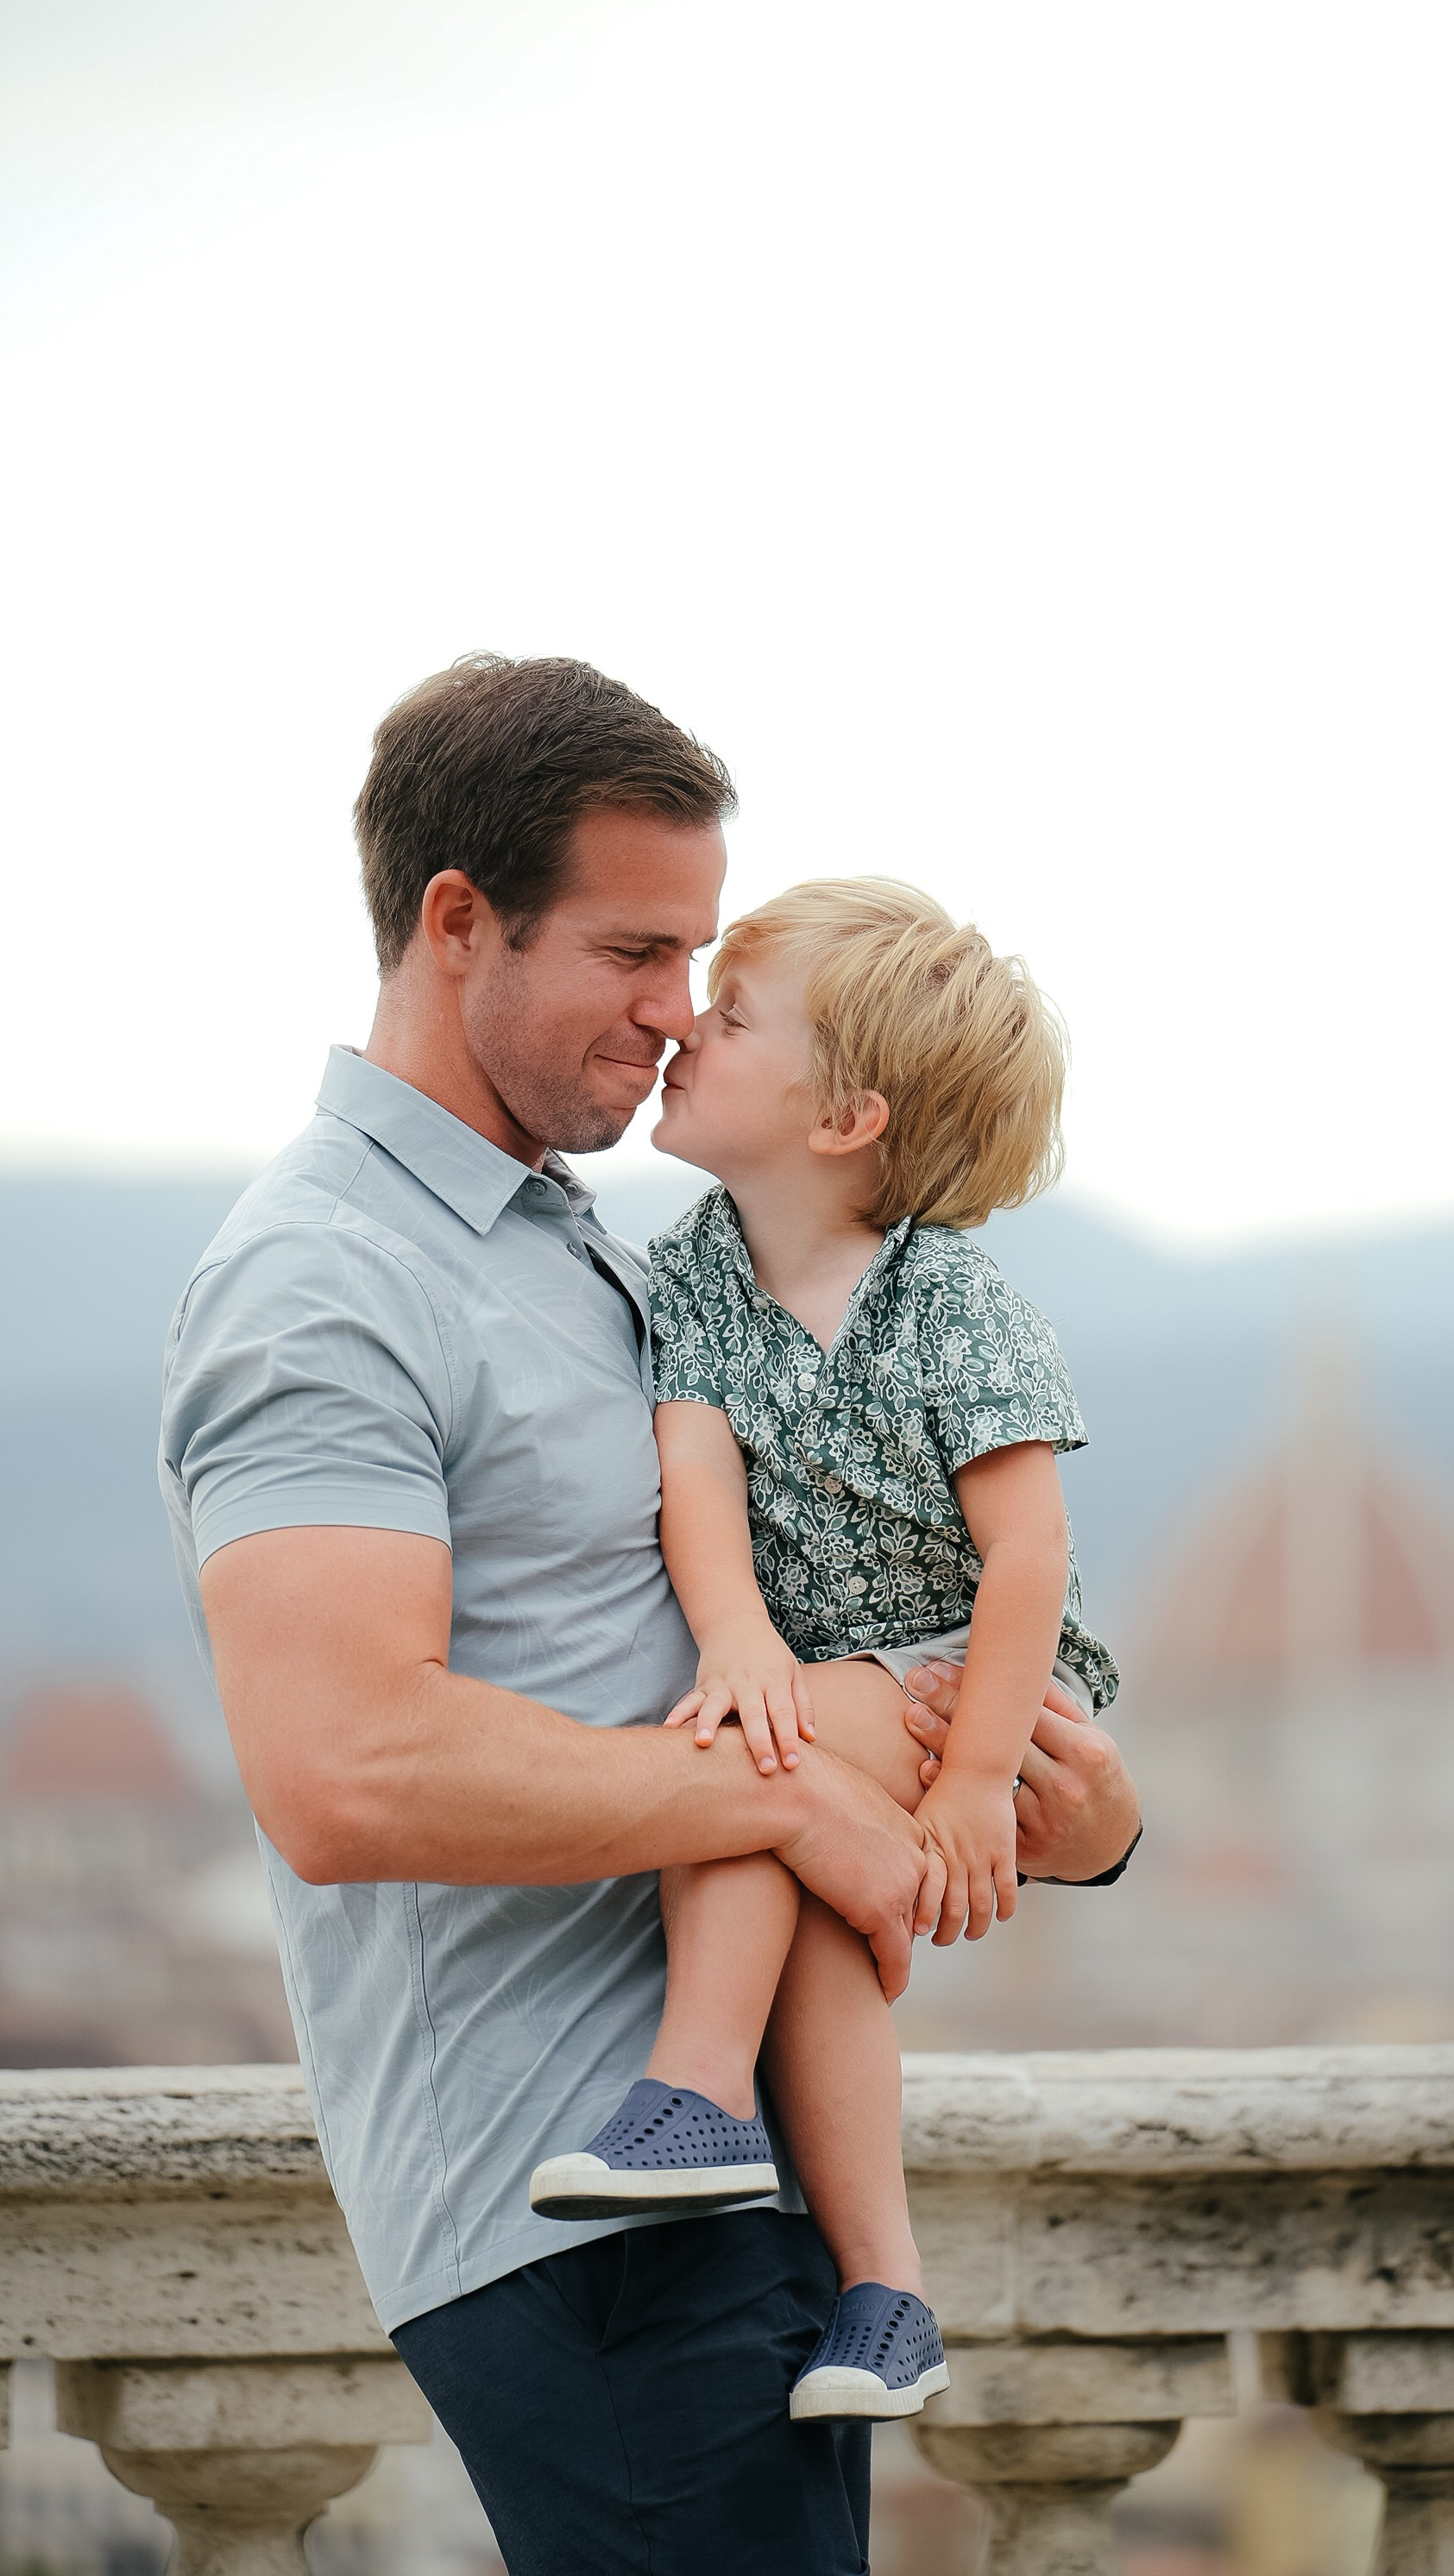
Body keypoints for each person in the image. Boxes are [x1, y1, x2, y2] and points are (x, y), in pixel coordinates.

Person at [158, 654, 1142, 2576]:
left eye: (702, 960)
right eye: (634, 950)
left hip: (721, 2179)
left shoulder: (599, 1253)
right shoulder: (318, 1280)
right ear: (459, 923)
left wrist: (1076, 1818)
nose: (675, 1014)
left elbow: (865, 1611)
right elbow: (347, 1770)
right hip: (565, 2199)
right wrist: (790, 1805)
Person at [526, 879, 1119, 2424]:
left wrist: (983, 1773)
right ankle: (887, 2292)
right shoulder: (705, 1268)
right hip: (819, 1664)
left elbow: (1029, 1558)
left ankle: (698, 2091)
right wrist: (735, 1640)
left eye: (728, 1021)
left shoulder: (952, 1301)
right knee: (807, 1918)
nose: (682, 1032)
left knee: (731, 1776)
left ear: (845, 1116)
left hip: (958, 1669)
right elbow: (696, 1476)